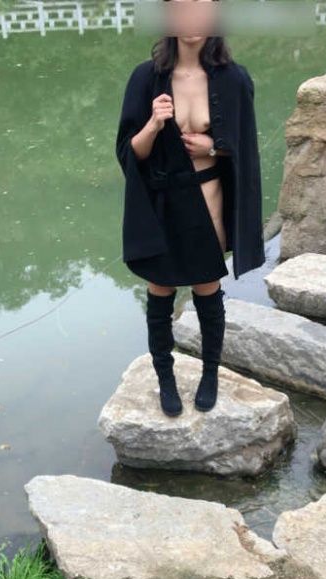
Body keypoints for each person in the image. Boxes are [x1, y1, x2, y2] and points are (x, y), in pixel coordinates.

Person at [115, 2, 265, 417]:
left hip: (208, 198)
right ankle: (165, 378)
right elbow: (130, 153)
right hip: (162, 203)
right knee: (160, 289)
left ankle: (209, 374)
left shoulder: (234, 79)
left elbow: (245, 150)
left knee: (206, 287)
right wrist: (153, 124)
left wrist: (213, 147)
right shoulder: (145, 78)